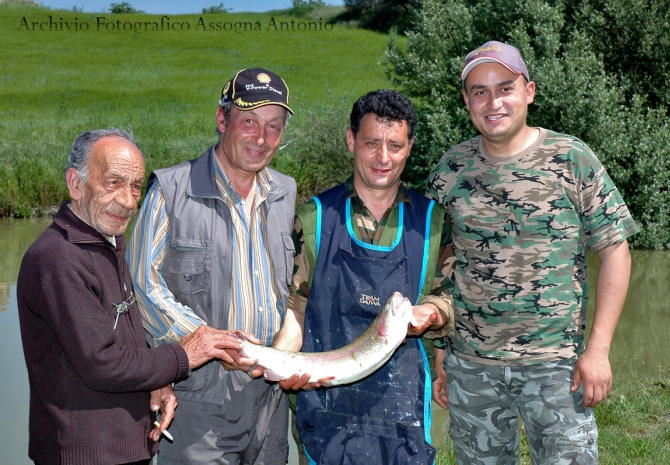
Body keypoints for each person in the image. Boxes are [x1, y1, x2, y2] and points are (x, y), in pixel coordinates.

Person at [427, 41, 639, 464]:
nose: (493, 102)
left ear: (529, 91)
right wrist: (440, 356)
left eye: (505, 88)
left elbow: (616, 250)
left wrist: (597, 351)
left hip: (558, 366)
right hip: (472, 366)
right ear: (467, 100)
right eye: (480, 91)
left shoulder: (571, 158)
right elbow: (443, 266)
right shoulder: (450, 171)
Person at [17, 129, 247, 465]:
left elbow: (123, 339)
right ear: (76, 184)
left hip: (120, 447)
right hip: (83, 454)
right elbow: (101, 362)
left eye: (136, 186)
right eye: (113, 182)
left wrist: (157, 381)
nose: (127, 200)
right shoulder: (58, 258)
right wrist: (184, 355)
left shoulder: (105, 244)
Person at [278, 89, 457, 464]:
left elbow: (448, 297)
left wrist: (432, 313)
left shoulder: (433, 222)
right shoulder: (312, 218)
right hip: (325, 406)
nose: (383, 157)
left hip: (404, 410)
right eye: (372, 142)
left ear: (409, 147)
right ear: (351, 140)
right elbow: (296, 310)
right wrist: (280, 364)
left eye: (395, 145)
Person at [128, 68, 297, 465]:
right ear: (222, 120)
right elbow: (142, 285)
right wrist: (216, 344)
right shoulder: (171, 190)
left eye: (274, 126)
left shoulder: (286, 192)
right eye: (249, 121)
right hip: (197, 395)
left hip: (271, 397)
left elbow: (293, 288)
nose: (261, 138)